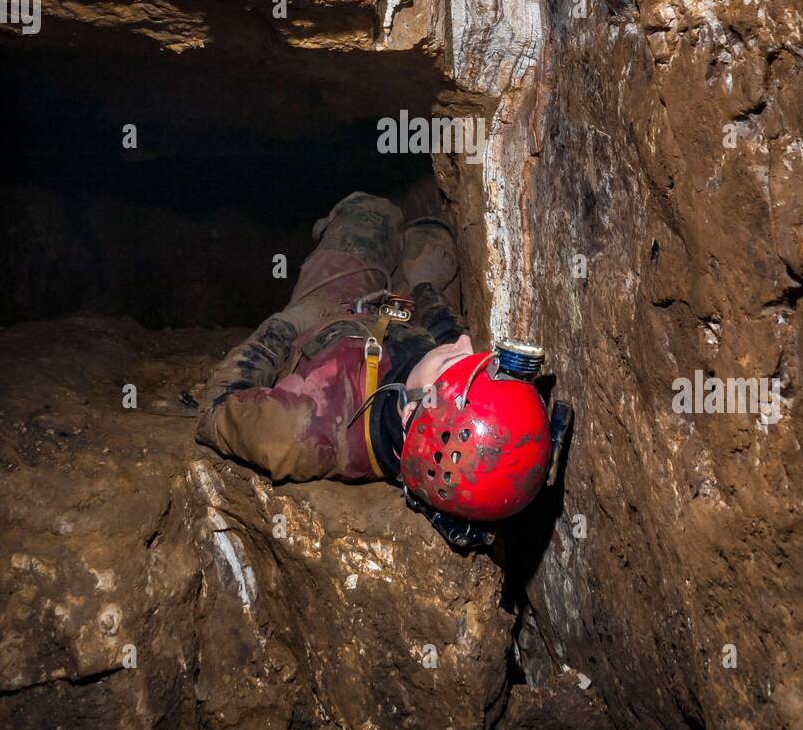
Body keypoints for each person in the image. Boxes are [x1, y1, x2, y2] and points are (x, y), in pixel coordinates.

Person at [196, 192, 553, 547]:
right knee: (434, 237)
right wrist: (424, 286)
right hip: (400, 315)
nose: (464, 344)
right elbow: (449, 335)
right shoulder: (439, 407)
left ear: (412, 410)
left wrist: (288, 322)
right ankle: (408, 256)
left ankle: (346, 237)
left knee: (373, 212)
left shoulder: (304, 429)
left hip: (327, 314)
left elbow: (215, 409)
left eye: (451, 362)